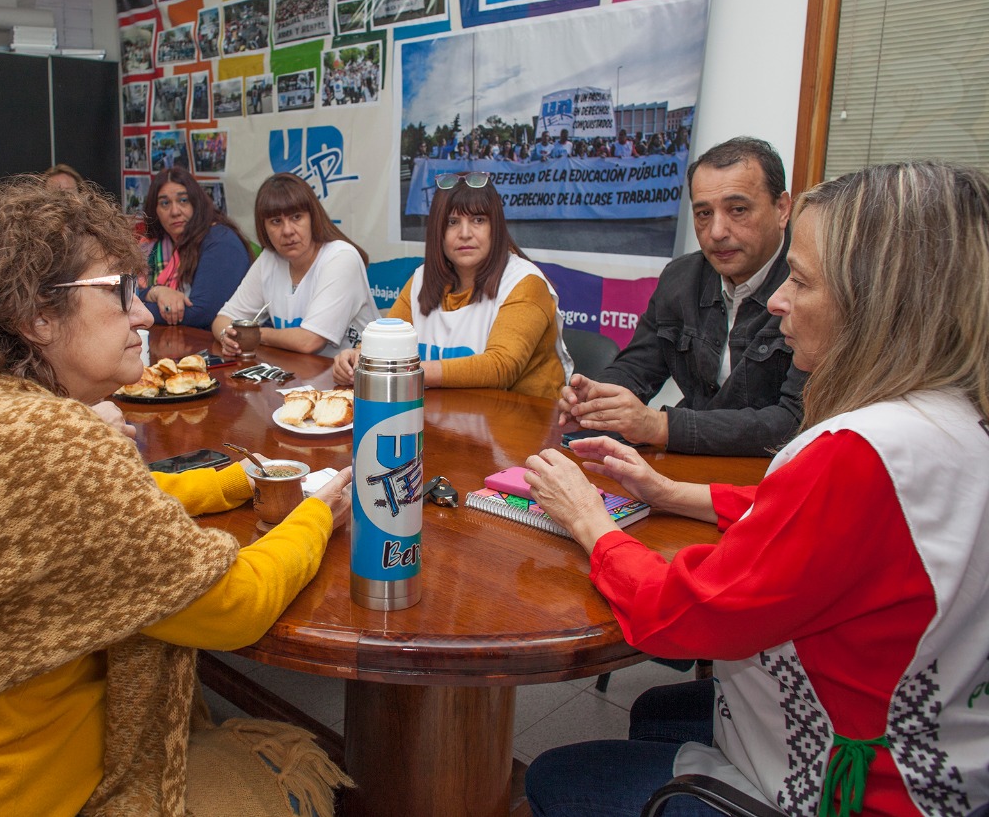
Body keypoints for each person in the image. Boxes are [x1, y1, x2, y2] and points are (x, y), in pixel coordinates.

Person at [0, 179, 354, 817]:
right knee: (285, 772)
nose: (144, 315)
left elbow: (99, 506)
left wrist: (241, 478)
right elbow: (233, 607)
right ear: (35, 316)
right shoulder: (55, 443)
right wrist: (314, 516)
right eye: (116, 293)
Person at [522, 160, 989, 817]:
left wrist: (589, 520)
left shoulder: (853, 452)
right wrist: (668, 490)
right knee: (661, 708)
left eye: (800, 281)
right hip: (950, 768)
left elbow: (682, 616)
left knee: (558, 772)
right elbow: (820, 523)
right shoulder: (950, 417)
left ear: (878, 300)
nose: (778, 301)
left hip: (856, 792)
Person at [559, 137, 807, 456]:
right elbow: (639, 366)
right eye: (704, 214)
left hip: (767, 477)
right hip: (686, 464)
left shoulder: (810, 287)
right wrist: (597, 399)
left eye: (738, 209)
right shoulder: (681, 278)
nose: (717, 231)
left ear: (782, 209)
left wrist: (661, 427)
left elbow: (791, 422)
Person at [333, 172, 570, 398]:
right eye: (452, 222)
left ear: (495, 228)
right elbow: (385, 337)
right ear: (439, 232)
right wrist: (357, 357)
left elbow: (501, 367)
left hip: (525, 427)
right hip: (452, 418)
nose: (465, 233)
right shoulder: (423, 279)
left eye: (478, 220)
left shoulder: (525, 282)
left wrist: (405, 372)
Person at [213, 172, 378, 357]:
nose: (287, 231)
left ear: (313, 218)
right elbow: (223, 318)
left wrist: (254, 335)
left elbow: (309, 341)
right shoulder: (269, 259)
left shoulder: (341, 258)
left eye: (296, 217)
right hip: (299, 378)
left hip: (352, 379)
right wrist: (225, 336)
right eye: (276, 221)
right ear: (264, 228)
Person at [139, 166, 251, 328]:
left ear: (196, 203)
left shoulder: (221, 241)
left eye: (183, 200)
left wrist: (134, 311)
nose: (175, 211)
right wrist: (156, 292)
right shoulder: (154, 247)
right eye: (165, 203)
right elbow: (127, 293)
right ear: (155, 211)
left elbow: (201, 314)